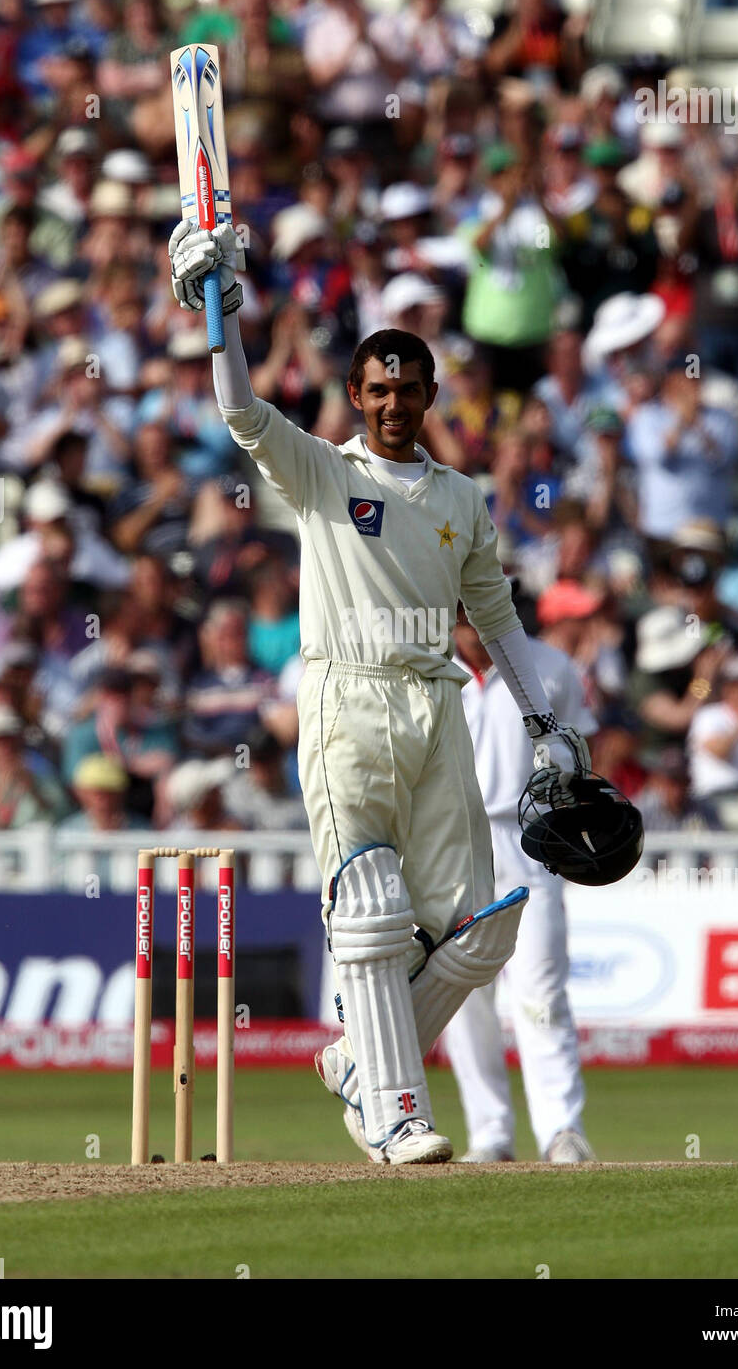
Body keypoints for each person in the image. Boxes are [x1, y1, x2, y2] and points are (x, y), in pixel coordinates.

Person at [167, 214, 593, 1164]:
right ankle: (396, 1110)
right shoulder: (323, 473)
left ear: (432, 394)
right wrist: (219, 310)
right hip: (346, 699)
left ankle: (358, 1051)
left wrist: (546, 725)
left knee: (484, 927)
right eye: (378, 389)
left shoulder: (461, 498)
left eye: (409, 388)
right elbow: (241, 411)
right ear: (355, 395)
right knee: (369, 902)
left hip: (436, 701)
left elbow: (498, 621)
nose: (394, 402)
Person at [443, 609, 598, 1164]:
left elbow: (582, 757)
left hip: (530, 838)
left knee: (541, 991)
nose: (474, 623)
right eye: (463, 612)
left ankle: (560, 1129)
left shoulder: (551, 667)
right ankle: (489, 1132)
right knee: (462, 995)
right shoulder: (430, 664)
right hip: (451, 840)